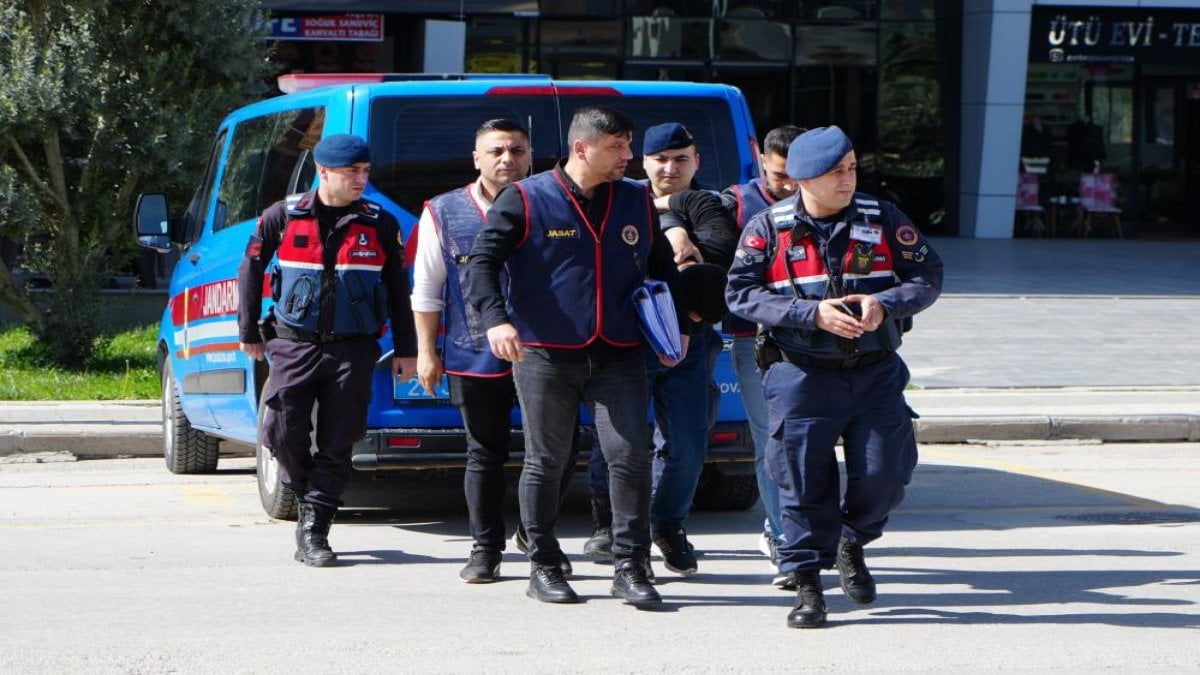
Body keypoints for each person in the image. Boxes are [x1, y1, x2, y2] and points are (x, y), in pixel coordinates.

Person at [467, 106, 687, 609]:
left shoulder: (635, 199)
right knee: (548, 460)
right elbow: (482, 262)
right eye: (618, 147)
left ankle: (631, 566)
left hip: (620, 351)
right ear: (582, 148)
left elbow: (661, 267)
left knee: (631, 455)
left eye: (629, 146)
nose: (629, 157)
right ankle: (543, 564)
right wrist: (497, 318)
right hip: (546, 352)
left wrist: (679, 327)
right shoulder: (524, 198)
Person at [725, 126, 943, 628]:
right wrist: (811, 314)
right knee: (799, 481)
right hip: (801, 374)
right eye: (835, 172)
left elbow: (927, 275)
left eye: (851, 168)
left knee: (887, 472)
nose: (849, 179)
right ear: (804, 179)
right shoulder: (769, 227)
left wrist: (883, 303)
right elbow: (740, 295)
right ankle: (806, 586)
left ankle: (851, 540)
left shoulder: (882, 217)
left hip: (875, 372)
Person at [237, 133, 418, 567]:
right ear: (323, 172)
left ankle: (315, 527)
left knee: (339, 439)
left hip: (352, 349)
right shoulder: (282, 215)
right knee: (281, 430)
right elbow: (251, 268)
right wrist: (249, 331)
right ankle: (307, 496)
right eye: (352, 172)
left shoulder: (379, 222)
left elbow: (398, 289)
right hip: (293, 343)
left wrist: (408, 349)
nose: (361, 179)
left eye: (365, 171)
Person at [411, 118, 577, 583]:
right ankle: (486, 549)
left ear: (531, 155)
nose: (508, 160)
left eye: (518, 150)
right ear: (477, 158)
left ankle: (536, 534)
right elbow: (427, 288)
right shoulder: (443, 211)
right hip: (473, 354)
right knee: (485, 452)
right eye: (498, 151)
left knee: (554, 453)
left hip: (547, 350)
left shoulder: (555, 202)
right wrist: (427, 352)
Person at [582, 122, 736, 576]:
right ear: (642, 162)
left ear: (697, 162)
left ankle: (667, 524)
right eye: (660, 160)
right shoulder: (613, 198)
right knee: (615, 442)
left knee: (688, 444)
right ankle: (607, 525)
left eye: (681, 159)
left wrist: (670, 216)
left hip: (693, 342)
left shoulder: (713, 205)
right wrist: (674, 233)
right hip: (628, 342)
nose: (670, 168)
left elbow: (720, 255)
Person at [719, 124, 804, 579]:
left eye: (799, 176)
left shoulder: (832, 199)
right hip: (758, 344)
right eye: (779, 176)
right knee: (774, 440)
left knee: (806, 443)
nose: (790, 186)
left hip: (820, 345)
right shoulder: (737, 203)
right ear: (760, 161)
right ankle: (785, 537)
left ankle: (808, 532)